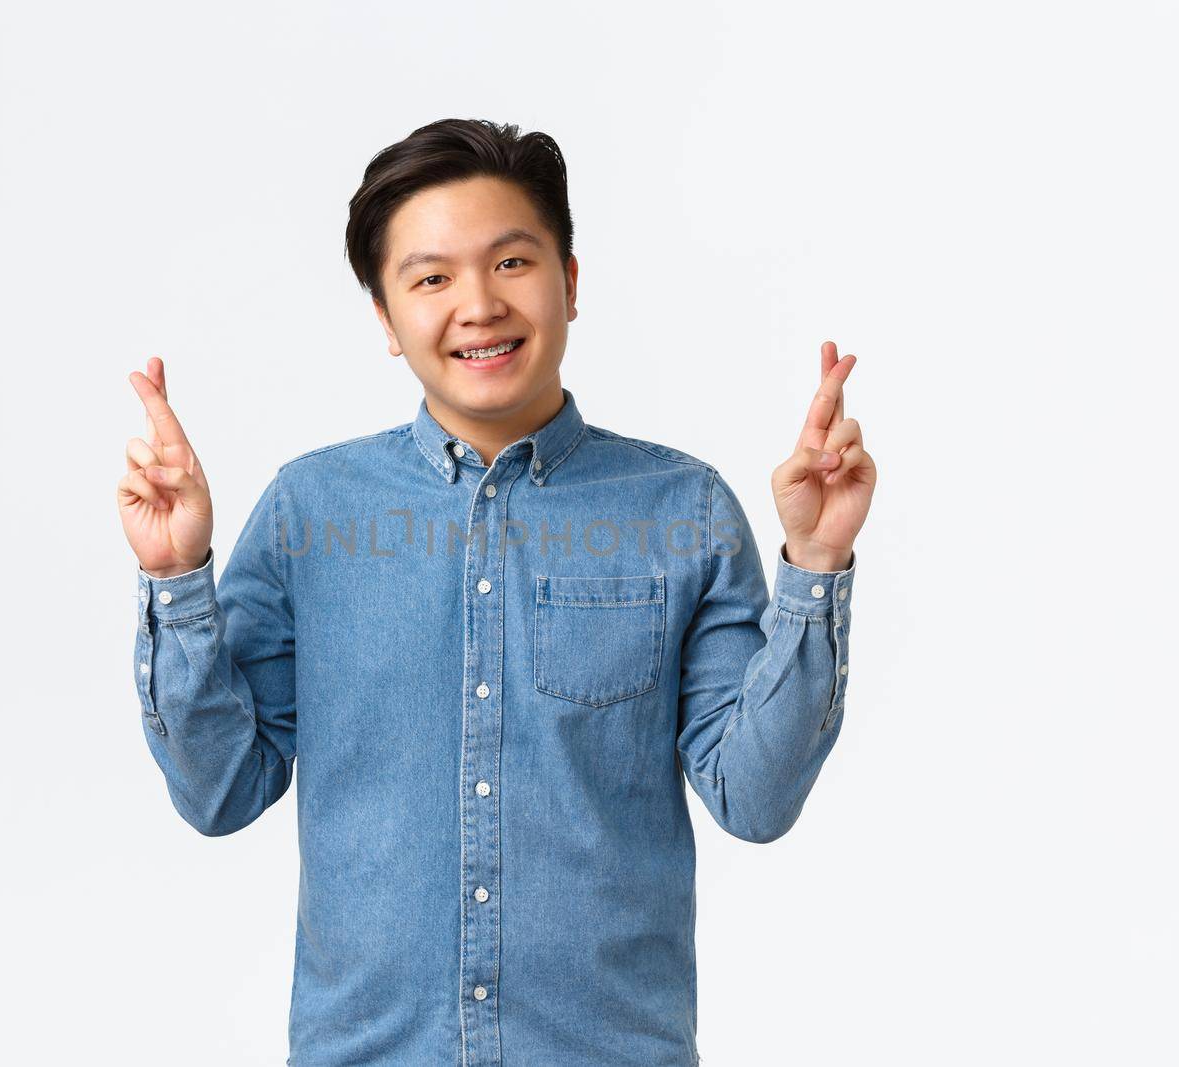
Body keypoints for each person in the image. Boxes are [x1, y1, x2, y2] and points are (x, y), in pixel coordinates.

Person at [117, 118, 876, 1067]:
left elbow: (754, 797)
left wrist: (814, 561)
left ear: (569, 280)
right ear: (387, 321)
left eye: (512, 262)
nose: (477, 304)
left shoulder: (682, 508)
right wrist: (174, 578)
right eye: (430, 277)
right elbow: (220, 791)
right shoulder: (309, 512)